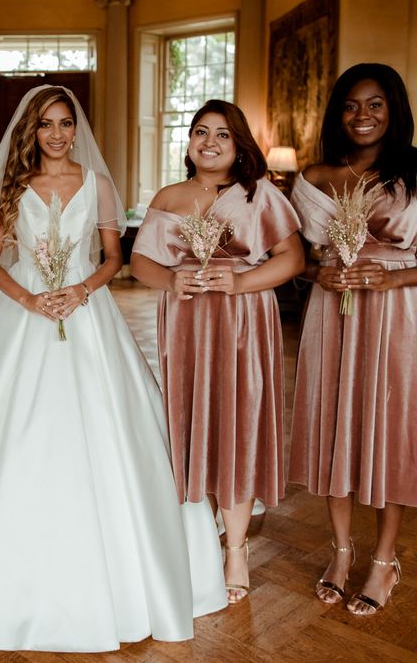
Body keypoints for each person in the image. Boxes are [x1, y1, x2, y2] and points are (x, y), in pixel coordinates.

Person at [0, 85, 227, 652]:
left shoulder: (100, 185)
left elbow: (115, 258)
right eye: (46, 125)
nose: (58, 134)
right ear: (31, 133)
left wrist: (79, 291)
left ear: (76, 128)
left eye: (66, 123)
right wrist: (31, 301)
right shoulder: (15, 188)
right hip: (21, 311)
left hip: (85, 310)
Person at [131, 99, 304, 604]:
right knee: (192, 419)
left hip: (244, 320)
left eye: (223, 135)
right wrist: (171, 278)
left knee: (238, 422)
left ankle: (235, 548)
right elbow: (141, 263)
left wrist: (241, 281)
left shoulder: (261, 196)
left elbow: (292, 258)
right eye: (200, 132)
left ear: (239, 144)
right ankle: (196, 524)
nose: (210, 142)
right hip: (185, 322)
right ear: (188, 142)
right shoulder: (170, 195)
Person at [289, 63, 417, 615]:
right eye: (350, 105)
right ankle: (341, 552)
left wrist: (395, 276)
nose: (362, 116)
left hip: (397, 313)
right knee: (333, 425)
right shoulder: (313, 177)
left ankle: (384, 559)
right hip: (332, 314)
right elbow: (291, 257)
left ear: (394, 111)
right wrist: (318, 274)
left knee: (391, 430)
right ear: (336, 113)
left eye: (375, 105)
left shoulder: (415, 171)